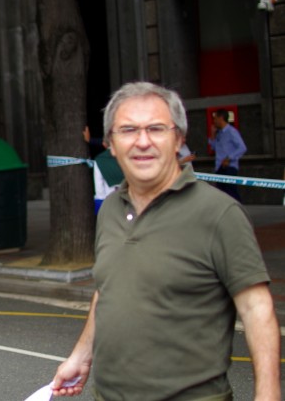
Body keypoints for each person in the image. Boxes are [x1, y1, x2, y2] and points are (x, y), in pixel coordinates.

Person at [52, 82, 280, 400]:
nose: (142, 142)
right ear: (111, 145)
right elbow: (108, 288)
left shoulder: (219, 213)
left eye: (156, 128)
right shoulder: (110, 211)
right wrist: (81, 356)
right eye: (128, 130)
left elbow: (257, 309)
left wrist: (268, 395)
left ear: (179, 140)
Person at [209, 108, 247, 202]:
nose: (214, 121)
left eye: (215, 118)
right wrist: (212, 136)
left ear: (221, 118)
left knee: (231, 192)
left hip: (229, 167)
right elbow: (214, 148)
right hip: (219, 167)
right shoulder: (219, 133)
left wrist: (229, 158)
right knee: (222, 194)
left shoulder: (231, 131)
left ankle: (239, 213)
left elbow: (242, 147)